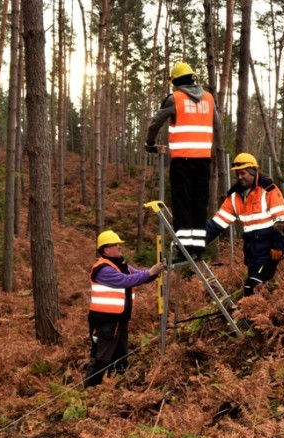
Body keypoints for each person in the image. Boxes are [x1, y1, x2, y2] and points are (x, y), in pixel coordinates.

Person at [145, 62, 223, 260]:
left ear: (176, 81)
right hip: (203, 160)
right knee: (199, 204)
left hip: (182, 161)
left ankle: (184, 250)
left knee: (182, 204)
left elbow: (155, 123)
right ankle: (198, 249)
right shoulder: (208, 98)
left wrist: (149, 143)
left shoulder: (175, 98)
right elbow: (217, 123)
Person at [86, 230, 166, 387]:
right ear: (106, 249)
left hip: (119, 321)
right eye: (116, 245)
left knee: (121, 357)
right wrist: (150, 271)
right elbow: (126, 281)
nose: (120, 247)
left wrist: (153, 273)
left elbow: (138, 275)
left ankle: (118, 390)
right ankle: (89, 391)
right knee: (101, 359)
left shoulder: (121, 265)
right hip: (105, 323)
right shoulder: (103, 269)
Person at [205, 153, 284, 296]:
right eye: (237, 174)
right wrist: (196, 243)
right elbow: (216, 225)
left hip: (270, 254)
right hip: (252, 256)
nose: (239, 177)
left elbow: (280, 220)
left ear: (253, 171)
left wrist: (278, 246)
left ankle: (250, 318)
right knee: (258, 290)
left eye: (243, 173)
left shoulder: (268, 189)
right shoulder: (234, 196)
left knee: (252, 287)